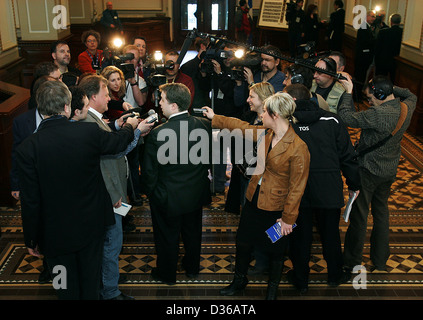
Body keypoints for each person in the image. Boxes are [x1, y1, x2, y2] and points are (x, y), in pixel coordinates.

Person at [16, 80, 141, 300]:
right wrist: (131, 126)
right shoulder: (88, 132)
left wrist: (31, 239)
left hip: (53, 236)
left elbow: (30, 200)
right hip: (91, 228)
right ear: (66, 107)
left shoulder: (28, 147)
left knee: (63, 286)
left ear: (41, 109)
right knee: (90, 282)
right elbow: (118, 144)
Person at [202, 92, 310, 300]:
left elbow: (298, 187)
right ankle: (239, 280)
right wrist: (215, 117)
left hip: (277, 208)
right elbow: (240, 126)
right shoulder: (266, 133)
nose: (261, 116)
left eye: (265, 113)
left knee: (276, 251)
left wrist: (288, 219)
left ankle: (272, 290)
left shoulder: (298, 148)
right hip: (254, 199)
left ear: (275, 115)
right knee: (243, 243)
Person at [284, 83, 360, 294]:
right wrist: (354, 184)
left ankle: (301, 280)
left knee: (300, 237)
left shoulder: (285, 122)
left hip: (297, 188)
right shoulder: (332, 120)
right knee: (330, 234)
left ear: (290, 101)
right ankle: (335, 274)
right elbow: (347, 156)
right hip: (329, 187)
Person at [78, 75, 149, 300]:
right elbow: (110, 155)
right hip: (109, 198)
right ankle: (109, 292)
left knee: (110, 245)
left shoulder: (96, 118)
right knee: (110, 245)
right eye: (105, 93)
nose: (110, 97)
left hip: (113, 193)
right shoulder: (88, 122)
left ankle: (108, 284)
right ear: (92, 97)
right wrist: (134, 131)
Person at [338, 73, 417, 274]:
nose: (370, 103)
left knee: (360, 216)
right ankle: (380, 260)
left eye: (371, 98)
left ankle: (352, 261)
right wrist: (385, 87)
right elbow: (408, 93)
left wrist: (348, 92)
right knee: (382, 214)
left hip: (368, 171)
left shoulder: (378, 114)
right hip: (389, 171)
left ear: (381, 95)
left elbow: (346, 117)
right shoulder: (407, 106)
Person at [141, 83, 212, 285]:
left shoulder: (158, 133)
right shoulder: (204, 125)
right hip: (195, 193)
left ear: (173, 105)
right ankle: (192, 268)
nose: (159, 103)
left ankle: (167, 274)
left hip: (167, 196)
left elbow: (149, 172)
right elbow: (208, 159)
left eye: (162, 99)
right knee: (192, 233)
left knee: (167, 237)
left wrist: (152, 193)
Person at [225, 82, 274, 215]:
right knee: (247, 211)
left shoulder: (276, 122)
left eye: (251, 97)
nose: (247, 100)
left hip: (268, 179)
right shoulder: (247, 117)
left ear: (263, 98)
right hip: (246, 174)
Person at [354, 10, 376, 102]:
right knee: (359, 77)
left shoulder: (367, 26)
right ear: (367, 16)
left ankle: (358, 95)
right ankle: (356, 96)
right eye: (372, 16)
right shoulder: (363, 26)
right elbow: (365, 42)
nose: (374, 19)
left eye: (374, 17)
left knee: (362, 78)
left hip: (364, 58)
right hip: (362, 58)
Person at [374, 14, 403, 83]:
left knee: (379, 81)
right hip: (395, 62)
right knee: (393, 81)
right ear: (399, 22)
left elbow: (377, 48)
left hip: (382, 61)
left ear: (391, 21)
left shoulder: (383, 32)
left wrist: (376, 60)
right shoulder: (402, 33)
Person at [122, 45, 148, 109]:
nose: (131, 61)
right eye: (129, 58)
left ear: (138, 61)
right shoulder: (115, 76)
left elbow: (141, 102)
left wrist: (133, 82)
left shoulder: (140, 80)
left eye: (135, 58)